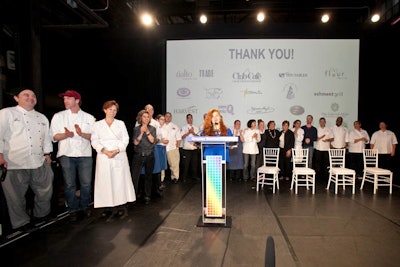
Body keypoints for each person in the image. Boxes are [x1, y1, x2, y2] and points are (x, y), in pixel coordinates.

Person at [0, 88, 54, 231]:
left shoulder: (42, 117)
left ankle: (41, 216)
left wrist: (47, 154)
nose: (31, 98)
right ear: (16, 98)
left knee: (45, 191)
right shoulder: (7, 113)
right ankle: (21, 223)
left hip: (39, 161)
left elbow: (46, 138)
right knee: (15, 197)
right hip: (14, 162)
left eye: (33, 95)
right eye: (26, 95)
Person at [50, 89, 95, 221]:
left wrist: (81, 134)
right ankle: (72, 209)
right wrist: (66, 135)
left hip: (84, 154)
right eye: (64, 99)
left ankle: (85, 206)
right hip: (66, 154)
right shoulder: (58, 116)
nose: (65, 101)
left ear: (77, 100)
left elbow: (94, 136)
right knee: (69, 184)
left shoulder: (88, 117)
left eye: (68, 98)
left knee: (86, 183)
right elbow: (53, 136)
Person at [90, 100, 136, 219]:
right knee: (106, 182)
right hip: (104, 156)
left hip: (118, 155)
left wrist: (116, 150)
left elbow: (125, 139)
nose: (112, 112)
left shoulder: (120, 123)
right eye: (110, 109)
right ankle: (108, 207)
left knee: (119, 181)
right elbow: (94, 140)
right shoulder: (97, 125)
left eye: (115, 110)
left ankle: (121, 206)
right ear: (105, 110)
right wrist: (105, 151)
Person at [131, 109, 156, 204]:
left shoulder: (153, 128)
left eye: (147, 117)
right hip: (138, 155)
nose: (146, 118)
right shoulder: (136, 129)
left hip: (149, 155)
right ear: (140, 118)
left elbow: (152, 140)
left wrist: (147, 131)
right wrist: (141, 132)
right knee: (135, 177)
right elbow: (135, 142)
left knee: (148, 176)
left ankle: (147, 196)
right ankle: (133, 196)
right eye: (144, 117)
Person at [180, 113, 200, 182]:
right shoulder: (184, 127)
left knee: (194, 164)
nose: (190, 119)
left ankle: (194, 176)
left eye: (191, 118)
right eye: (188, 118)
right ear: (186, 119)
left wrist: (193, 132)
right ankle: (184, 177)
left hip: (194, 148)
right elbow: (182, 137)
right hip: (186, 149)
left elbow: (198, 137)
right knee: (185, 164)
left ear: (192, 119)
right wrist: (188, 132)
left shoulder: (196, 127)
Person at [163, 112, 182, 184]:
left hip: (172, 148)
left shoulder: (175, 126)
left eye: (169, 116)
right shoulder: (160, 126)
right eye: (167, 116)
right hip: (162, 148)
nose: (168, 118)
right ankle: (161, 178)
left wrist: (177, 148)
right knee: (162, 165)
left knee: (174, 164)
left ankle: (175, 177)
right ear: (164, 117)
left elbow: (179, 138)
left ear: (171, 118)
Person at [314, 117, 334, 181]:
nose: (322, 123)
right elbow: (315, 139)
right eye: (321, 122)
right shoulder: (317, 129)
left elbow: (332, 138)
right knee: (317, 163)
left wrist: (327, 140)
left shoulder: (329, 129)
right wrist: (320, 137)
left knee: (326, 163)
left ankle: (325, 177)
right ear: (319, 123)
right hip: (318, 148)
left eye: (323, 121)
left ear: (325, 122)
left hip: (326, 149)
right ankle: (318, 177)